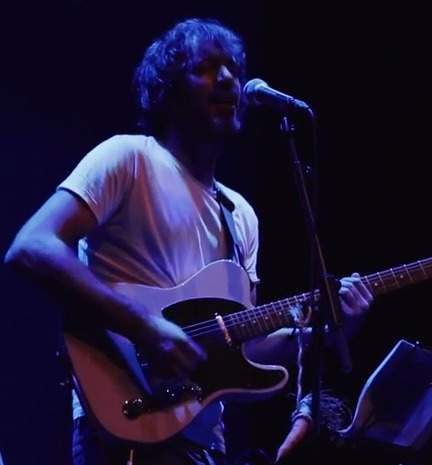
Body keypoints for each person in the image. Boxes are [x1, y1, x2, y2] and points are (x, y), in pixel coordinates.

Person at [3, 17, 373, 465]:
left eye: (235, 69)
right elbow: (32, 246)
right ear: (168, 89)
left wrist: (325, 333)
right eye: (207, 68)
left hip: (205, 442)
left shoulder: (240, 215)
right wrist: (145, 327)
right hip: (125, 427)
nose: (228, 79)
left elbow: (242, 346)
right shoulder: (129, 158)